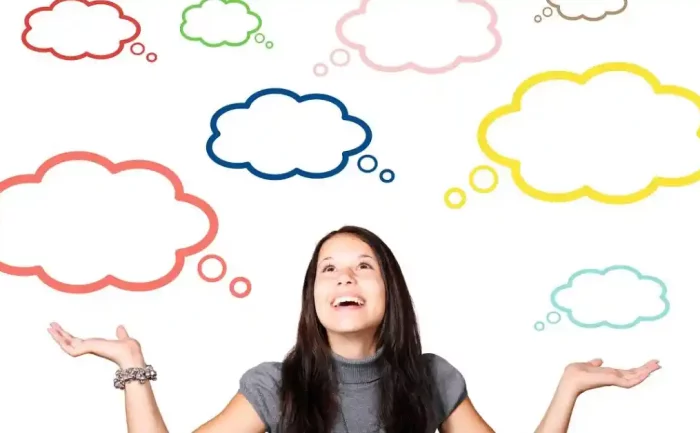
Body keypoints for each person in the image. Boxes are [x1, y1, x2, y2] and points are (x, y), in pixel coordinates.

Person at [48, 225, 660, 433]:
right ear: (313, 296)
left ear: (389, 291)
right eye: (330, 269)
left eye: (363, 267)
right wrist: (131, 364)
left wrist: (568, 389)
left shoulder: (432, 377)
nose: (346, 279)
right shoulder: (273, 385)